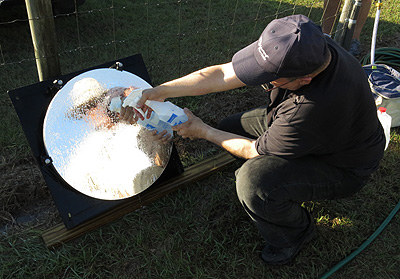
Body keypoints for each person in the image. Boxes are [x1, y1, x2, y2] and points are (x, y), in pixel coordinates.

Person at [121, 14, 385, 264]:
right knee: (230, 127)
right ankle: (273, 196)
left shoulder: (310, 110)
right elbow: (222, 74)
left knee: (254, 182)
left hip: (342, 165)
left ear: (304, 79)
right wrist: (160, 91)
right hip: (317, 132)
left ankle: (293, 233)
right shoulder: (304, 43)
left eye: (268, 81)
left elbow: (255, 150)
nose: (261, 81)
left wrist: (202, 130)